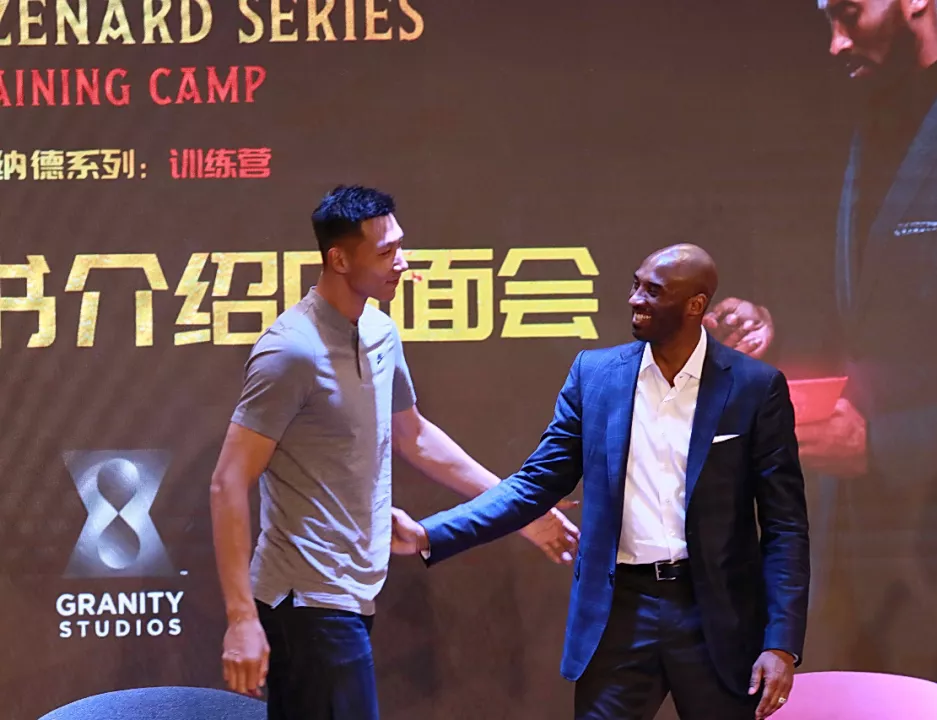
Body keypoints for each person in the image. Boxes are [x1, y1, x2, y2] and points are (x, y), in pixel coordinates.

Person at [707, 0, 937, 706]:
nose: (835, 42)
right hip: (870, 569)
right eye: (826, 19)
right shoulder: (872, 126)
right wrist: (771, 326)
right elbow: (883, 326)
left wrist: (882, 445)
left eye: (849, 14)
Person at [393, 244, 811, 720]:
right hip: (619, 614)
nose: (635, 299)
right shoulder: (595, 376)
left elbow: (785, 526)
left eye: (653, 291)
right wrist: (430, 533)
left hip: (717, 616)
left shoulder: (755, 386)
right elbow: (532, 485)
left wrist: (781, 643)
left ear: (696, 305)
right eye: (636, 285)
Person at [208, 185, 579, 720]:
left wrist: (519, 510)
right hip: (306, 599)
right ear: (339, 259)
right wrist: (241, 618)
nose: (402, 263)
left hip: (354, 591)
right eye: (386, 252)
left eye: (400, 246)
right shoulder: (289, 351)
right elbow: (227, 482)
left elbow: (415, 437)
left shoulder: (379, 330)